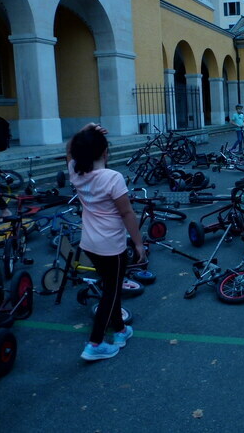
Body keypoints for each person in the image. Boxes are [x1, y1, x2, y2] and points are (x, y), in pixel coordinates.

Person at [67, 123, 145, 361]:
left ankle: (120, 331)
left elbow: (70, 151)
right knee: (110, 292)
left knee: (111, 286)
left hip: (90, 244)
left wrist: (82, 132)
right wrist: (139, 244)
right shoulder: (113, 177)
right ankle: (95, 343)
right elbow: (127, 213)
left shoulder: (75, 171)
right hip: (112, 246)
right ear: (104, 152)